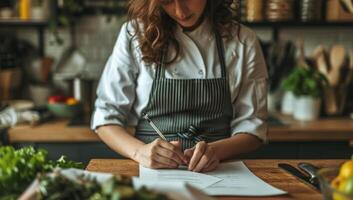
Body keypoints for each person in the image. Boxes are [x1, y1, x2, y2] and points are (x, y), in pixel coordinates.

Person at [91, 0, 268, 173]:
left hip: (221, 170)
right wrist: (139, 152)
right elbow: (106, 118)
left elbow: (253, 125)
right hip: (151, 171)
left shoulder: (243, 40)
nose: (180, 11)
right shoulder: (135, 33)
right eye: (167, 1)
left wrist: (215, 151)